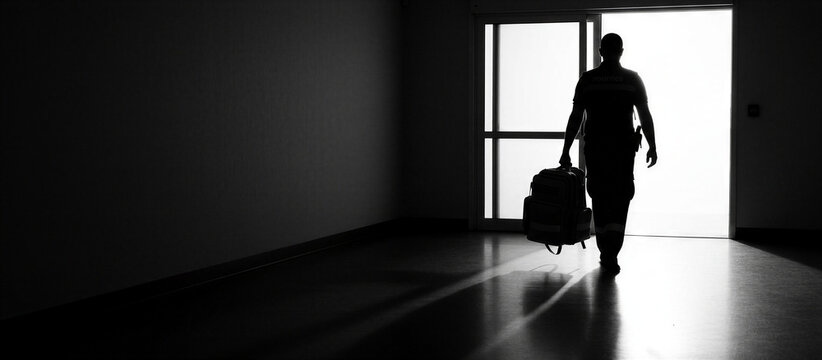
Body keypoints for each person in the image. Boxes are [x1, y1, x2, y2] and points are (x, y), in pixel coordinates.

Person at [559, 33, 657, 274]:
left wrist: (566, 150)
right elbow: (644, 115)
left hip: (597, 151)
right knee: (620, 198)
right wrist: (653, 145)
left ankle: (606, 251)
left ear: (600, 51)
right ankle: (612, 252)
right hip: (623, 153)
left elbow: (575, 117)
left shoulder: (589, 80)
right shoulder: (632, 79)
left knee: (600, 198)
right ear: (621, 51)